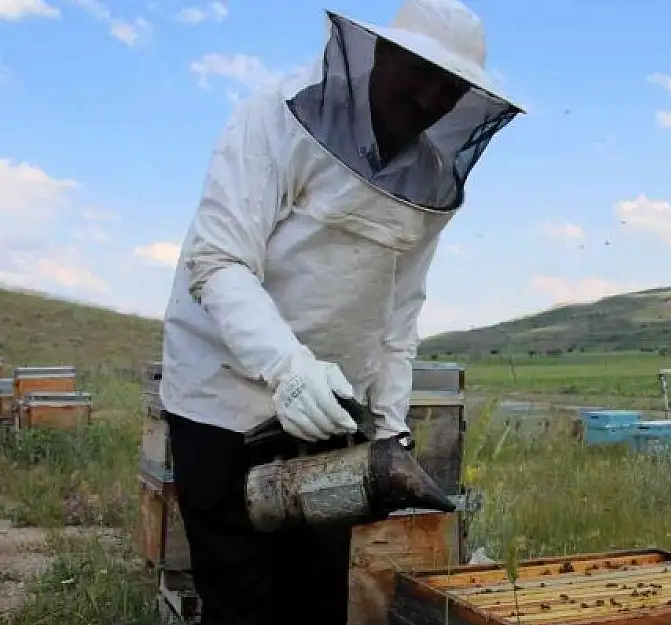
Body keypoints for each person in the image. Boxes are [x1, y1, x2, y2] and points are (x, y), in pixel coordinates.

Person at [156, 0, 524, 623]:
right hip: (224, 401)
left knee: (317, 594)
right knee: (242, 598)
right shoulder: (273, 118)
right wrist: (288, 370)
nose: (433, 96)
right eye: (421, 71)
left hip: (331, 417)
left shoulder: (430, 176)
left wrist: (389, 426)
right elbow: (218, 263)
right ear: (379, 53)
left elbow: (398, 316)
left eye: (451, 85)